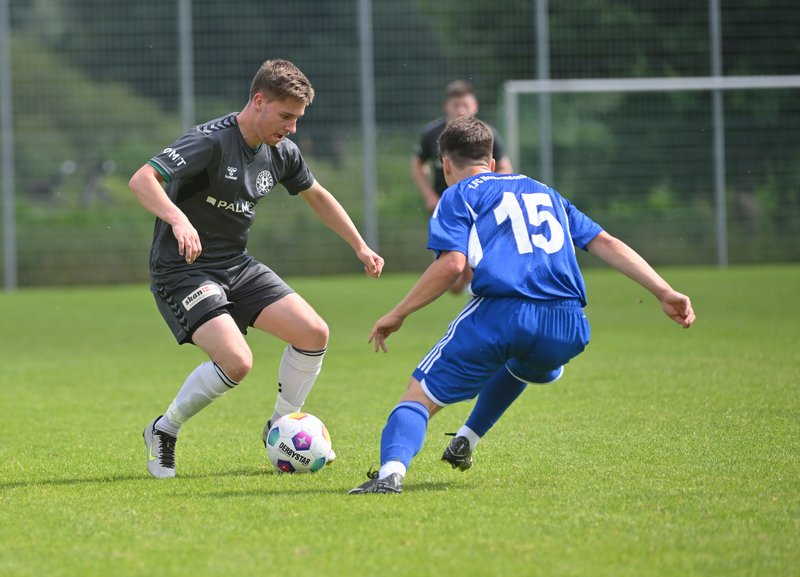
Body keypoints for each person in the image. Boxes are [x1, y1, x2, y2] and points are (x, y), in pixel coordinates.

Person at [349, 116, 695, 494]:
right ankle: (467, 438)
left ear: (445, 165)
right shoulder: (545, 192)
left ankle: (390, 475)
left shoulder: (458, 194)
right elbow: (606, 242)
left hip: (504, 314)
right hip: (568, 324)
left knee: (418, 397)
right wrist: (664, 291)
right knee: (523, 362)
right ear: (492, 162)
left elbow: (452, 265)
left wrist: (398, 312)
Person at [129, 59, 384, 479]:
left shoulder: (281, 152)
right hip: (184, 270)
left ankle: (280, 427)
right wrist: (178, 219)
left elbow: (317, 195)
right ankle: (164, 429)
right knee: (236, 362)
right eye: (286, 116)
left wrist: (360, 245)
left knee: (314, 333)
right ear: (259, 101)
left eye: (298, 119)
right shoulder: (210, 141)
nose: (292, 128)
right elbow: (142, 179)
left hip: (236, 265)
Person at [411, 80, 513, 294]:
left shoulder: (486, 134)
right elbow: (417, 164)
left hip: (479, 207)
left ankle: (476, 287)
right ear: (447, 106)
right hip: (447, 205)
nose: (461, 110)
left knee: (475, 269)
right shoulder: (432, 134)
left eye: (465, 105)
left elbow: (505, 167)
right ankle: (465, 277)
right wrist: (429, 195)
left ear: (475, 106)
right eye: (456, 105)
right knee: (455, 284)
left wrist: (494, 195)